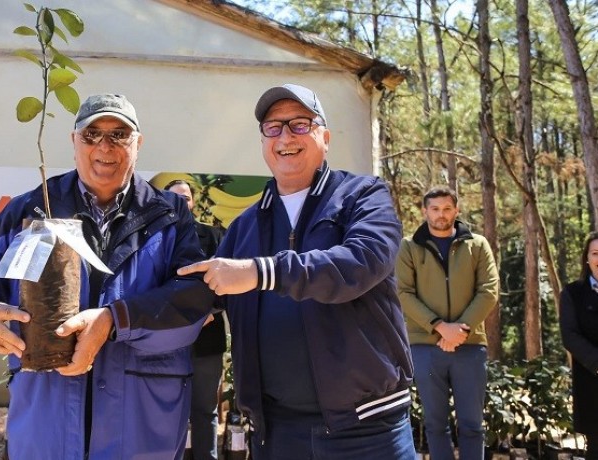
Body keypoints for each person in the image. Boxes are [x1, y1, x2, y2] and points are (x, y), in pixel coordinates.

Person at [0, 93, 215, 460]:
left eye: (119, 135)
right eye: (91, 135)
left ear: (138, 143)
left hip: (143, 434)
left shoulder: (169, 215)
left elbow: (193, 299)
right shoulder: (32, 208)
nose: (105, 146)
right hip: (46, 427)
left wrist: (115, 320)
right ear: (74, 142)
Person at [178, 83, 416, 459]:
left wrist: (262, 272)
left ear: (325, 136)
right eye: (273, 128)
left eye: (299, 124)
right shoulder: (244, 227)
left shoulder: (364, 196)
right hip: (278, 433)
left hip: (366, 430)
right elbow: (204, 294)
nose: (285, 136)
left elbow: (361, 262)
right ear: (263, 143)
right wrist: (118, 314)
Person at [395, 186, 499, 460]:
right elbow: (403, 292)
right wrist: (440, 327)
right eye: (435, 209)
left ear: (457, 209)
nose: (441, 215)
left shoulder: (477, 245)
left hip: (470, 345)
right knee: (435, 424)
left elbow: (489, 290)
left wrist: (461, 329)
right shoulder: (408, 247)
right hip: (426, 347)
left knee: (472, 425)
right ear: (425, 211)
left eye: (447, 208)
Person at [164, 179, 226, 460]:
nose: (181, 203)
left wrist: (206, 314)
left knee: (204, 411)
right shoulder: (155, 242)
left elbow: (228, 284)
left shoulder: (214, 237)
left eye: (185, 198)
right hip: (163, 343)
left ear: (193, 202)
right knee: (164, 411)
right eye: (174, 198)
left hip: (206, 340)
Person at [560, 231, 598, 460]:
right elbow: (569, 335)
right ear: (587, 258)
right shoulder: (573, 293)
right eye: (595, 253)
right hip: (591, 380)